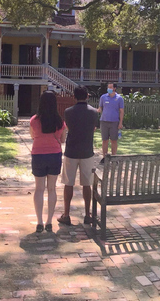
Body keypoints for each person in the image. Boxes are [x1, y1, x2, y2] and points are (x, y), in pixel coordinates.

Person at [57, 86, 99, 226]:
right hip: (87, 151)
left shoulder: (68, 112)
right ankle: (87, 214)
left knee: (68, 183)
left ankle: (66, 214)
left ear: (74, 97)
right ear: (87, 96)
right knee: (87, 184)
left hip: (71, 150)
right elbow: (93, 128)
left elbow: (68, 127)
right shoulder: (93, 112)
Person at [30, 90, 67, 232]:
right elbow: (63, 140)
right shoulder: (60, 122)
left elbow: (33, 136)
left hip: (38, 155)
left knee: (39, 189)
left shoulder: (34, 120)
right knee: (52, 189)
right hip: (54, 155)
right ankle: (49, 221)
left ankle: (39, 222)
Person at [98, 82, 124, 163]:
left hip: (114, 122)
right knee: (104, 140)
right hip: (104, 121)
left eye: (110, 87)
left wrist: (120, 123)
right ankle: (105, 157)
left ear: (114, 88)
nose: (108, 89)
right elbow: (100, 109)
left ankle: (113, 157)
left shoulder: (119, 98)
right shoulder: (103, 97)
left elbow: (121, 111)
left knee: (114, 140)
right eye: (108, 87)